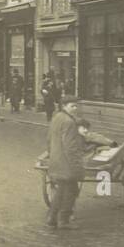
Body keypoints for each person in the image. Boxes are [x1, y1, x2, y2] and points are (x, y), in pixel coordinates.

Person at [46, 97, 86, 228]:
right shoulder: (69, 122)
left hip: (56, 160)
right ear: (64, 106)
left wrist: (51, 154)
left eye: (76, 106)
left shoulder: (57, 117)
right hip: (66, 163)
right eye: (72, 106)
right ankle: (64, 221)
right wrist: (77, 167)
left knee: (60, 191)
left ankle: (52, 218)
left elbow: (49, 139)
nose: (75, 108)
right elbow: (70, 147)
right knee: (72, 190)